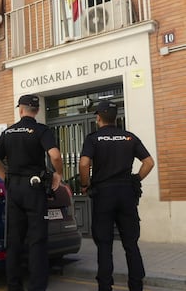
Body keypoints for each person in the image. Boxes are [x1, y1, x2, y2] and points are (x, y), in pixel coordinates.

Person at [0, 94, 63, 291]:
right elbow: (55, 155)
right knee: (37, 240)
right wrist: (58, 174)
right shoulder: (40, 130)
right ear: (36, 110)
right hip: (34, 188)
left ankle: (14, 286)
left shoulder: (9, 132)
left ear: (21, 109)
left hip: (15, 189)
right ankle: (36, 287)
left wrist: (6, 178)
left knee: (14, 241)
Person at [79, 100, 155, 291]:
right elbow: (149, 162)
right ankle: (136, 285)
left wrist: (85, 184)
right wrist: (136, 179)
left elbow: (83, 164)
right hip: (126, 194)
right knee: (131, 243)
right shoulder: (129, 137)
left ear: (98, 118)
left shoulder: (93, 138)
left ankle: (105, 286)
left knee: (104, 245)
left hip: (103, 194)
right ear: (115, 118)